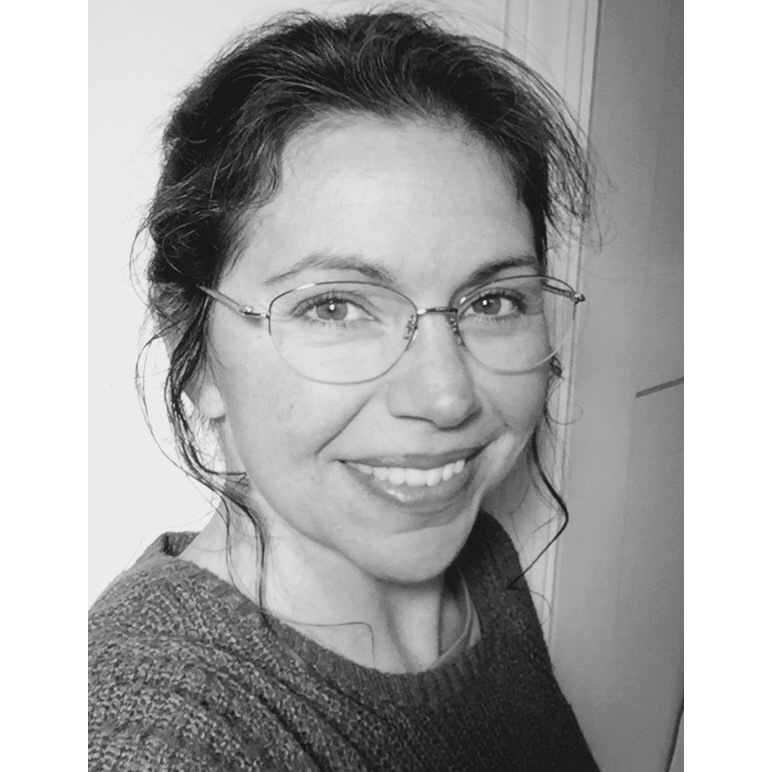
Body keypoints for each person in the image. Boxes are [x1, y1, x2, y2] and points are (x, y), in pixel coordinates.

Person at [89, 9, 597, 770]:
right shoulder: (154, 729)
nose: (448, 399)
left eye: (493, 302)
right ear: (192, 351)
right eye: (334, 308)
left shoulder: (472, 549)